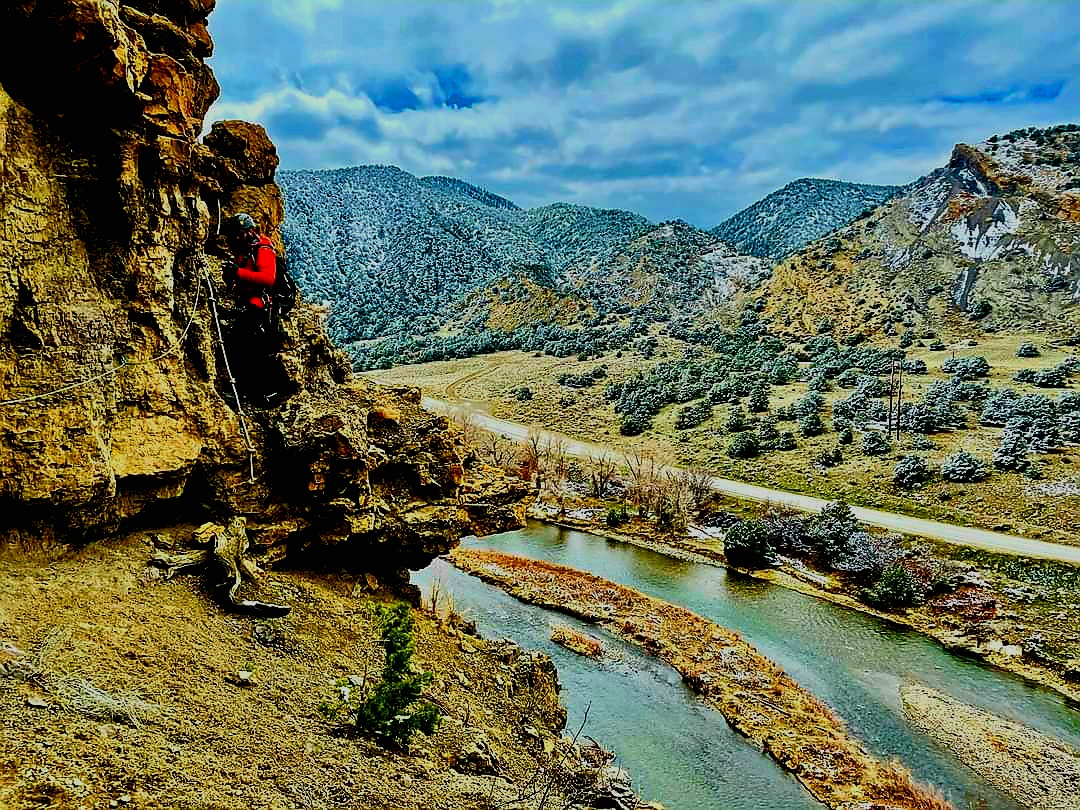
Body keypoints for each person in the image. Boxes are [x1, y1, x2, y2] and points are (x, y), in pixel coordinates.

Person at [222, 213, 283, 407]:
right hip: (250, 304)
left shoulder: (263, 249)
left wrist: (238, 273)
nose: (238, 238)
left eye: (240, 234)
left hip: (260, 307)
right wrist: (232, 277)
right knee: (244, 348)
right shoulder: (245, 250)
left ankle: (247, 392)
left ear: (250, 231)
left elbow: (268, 278)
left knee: (242, 347)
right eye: (236, 235)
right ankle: (253, 392)